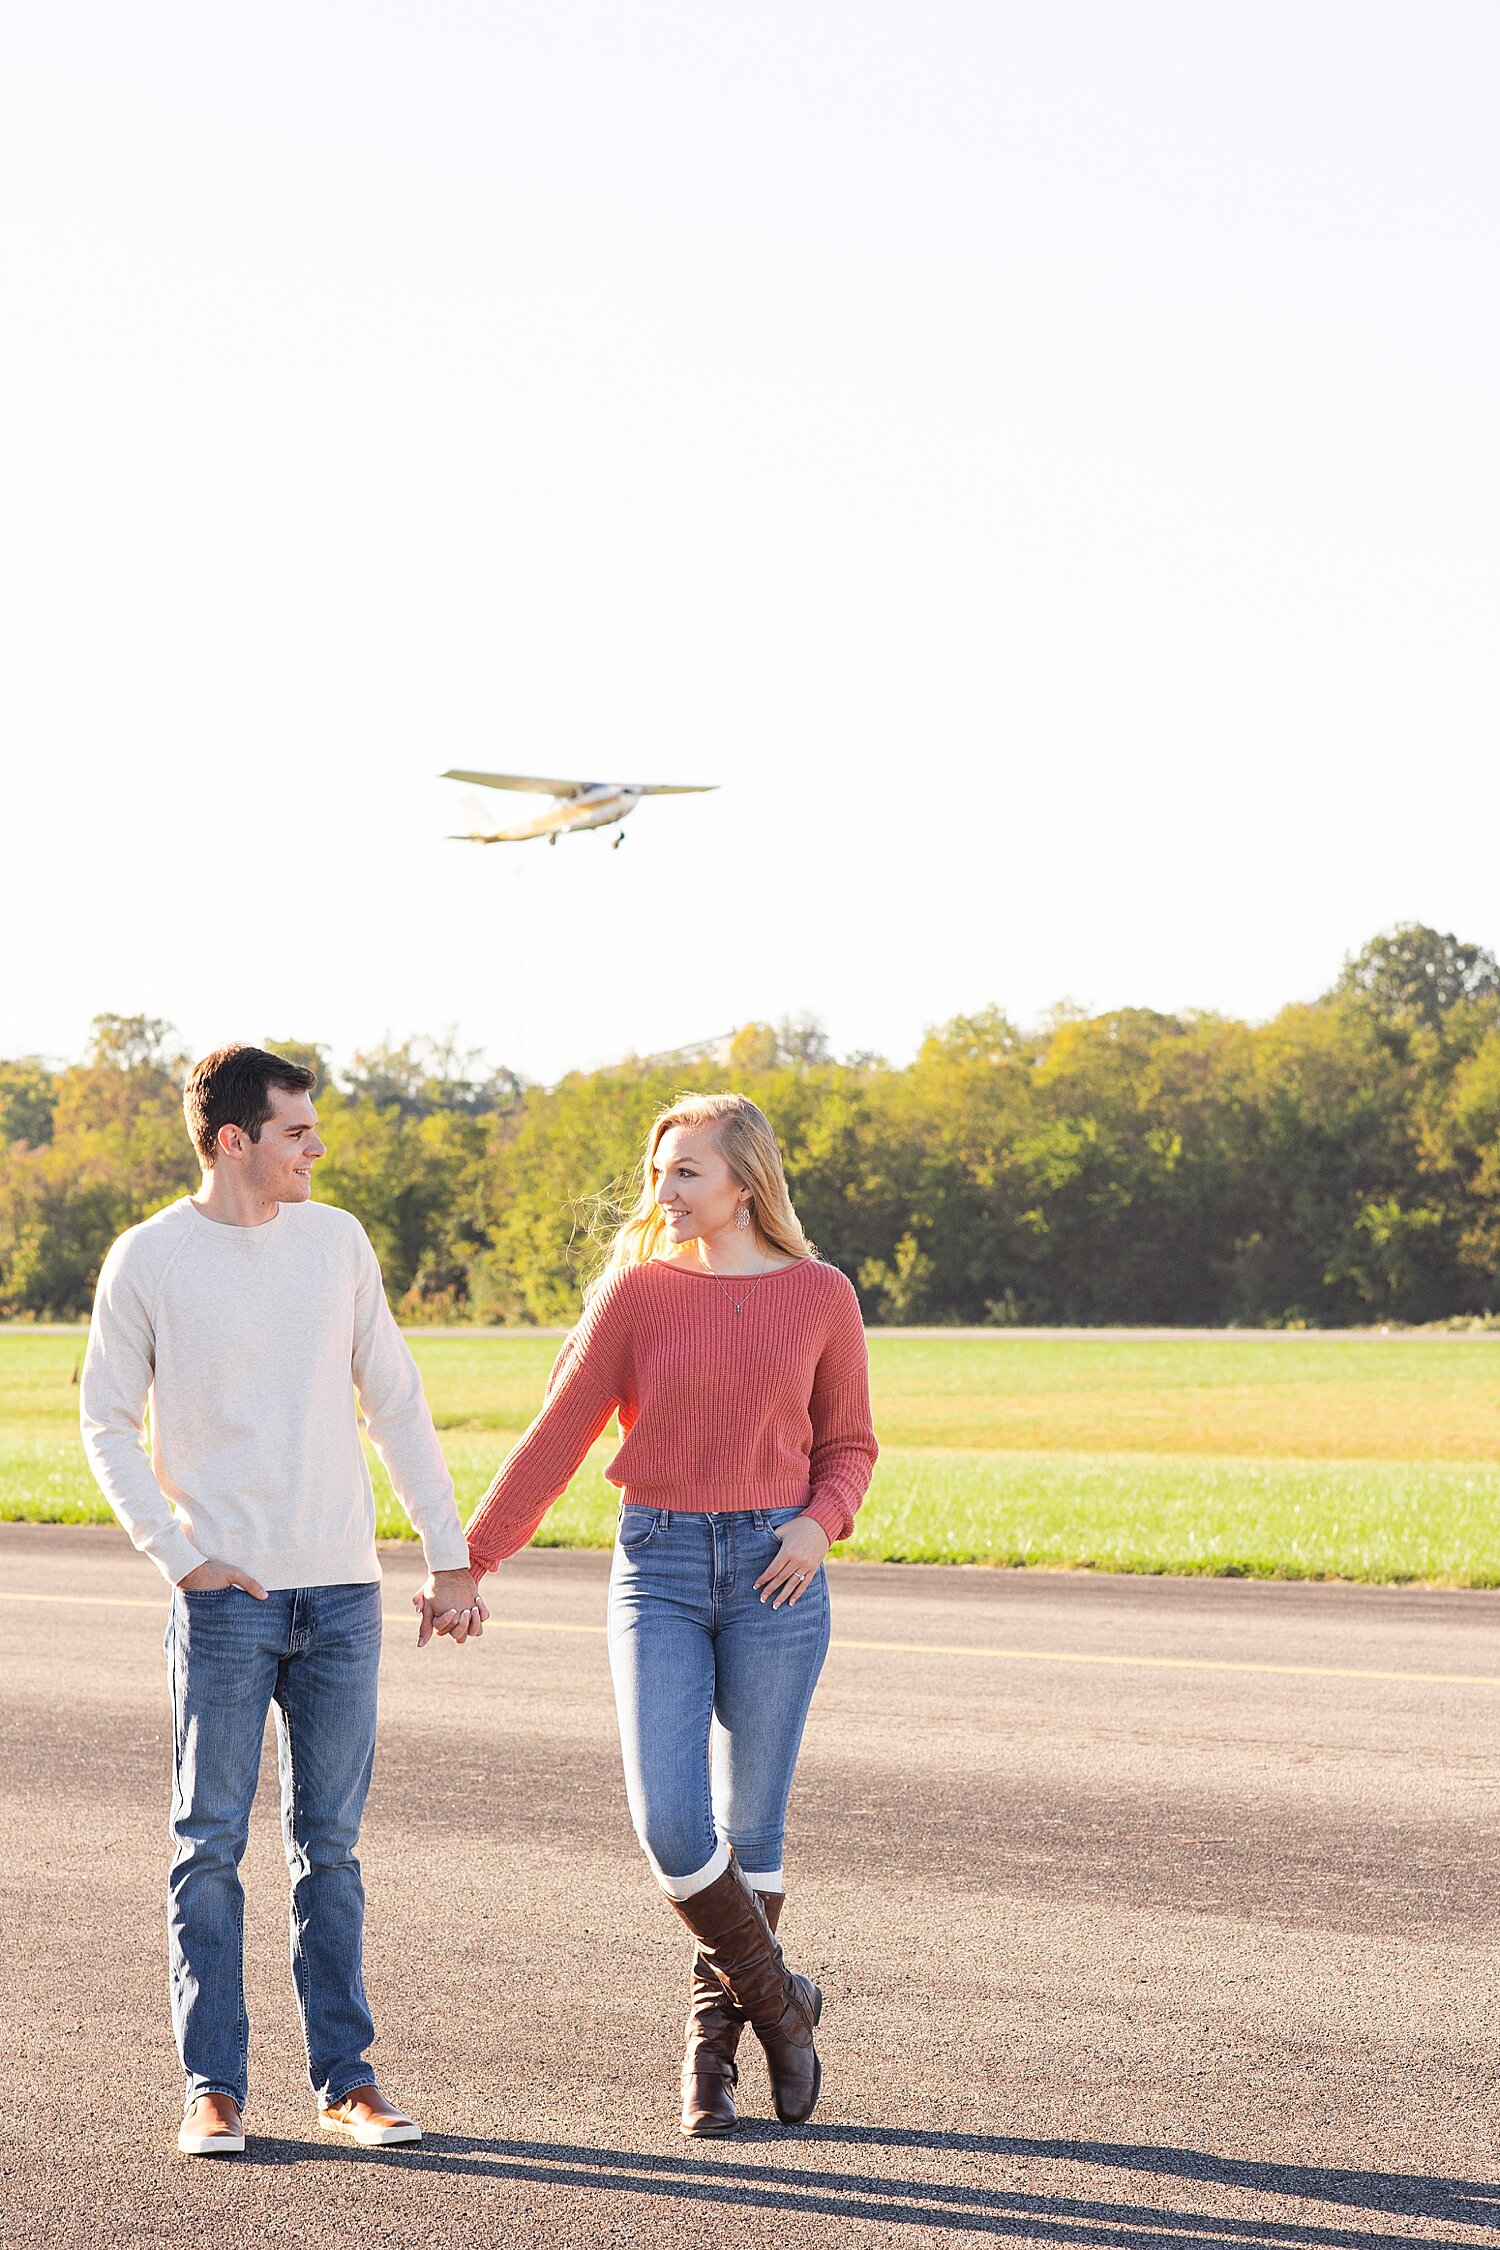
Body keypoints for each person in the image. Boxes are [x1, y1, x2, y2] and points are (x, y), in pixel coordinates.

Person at [80, 1043, 487, 2159]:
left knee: (332, 1852)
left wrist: (447, 1557)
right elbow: (105, 1420)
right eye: (297, 1131)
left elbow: (395, 1403)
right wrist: (178, 1557)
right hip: (224, 1602)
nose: (317, 1147)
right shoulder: (150, 1258)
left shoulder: (337, 1242)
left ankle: (347, 2084)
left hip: (343, 1596)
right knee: (208, 1845)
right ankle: (213, 2088)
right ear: (234, 1141)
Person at [465, 1091, 877, 2136]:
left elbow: (850, 1446)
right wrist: (470, 1559)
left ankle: (711, 2060)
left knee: (754, 1826)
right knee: (673, 1827)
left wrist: (819, 1525)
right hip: (657, 1565)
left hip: (777, 1570)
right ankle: (784, 2004)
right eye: (658, 1172)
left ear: (746, 1181)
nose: (664, 1191)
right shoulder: (636, 1295)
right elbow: (557, 1440)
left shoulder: (822, 1294)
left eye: (685, 1171)